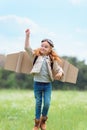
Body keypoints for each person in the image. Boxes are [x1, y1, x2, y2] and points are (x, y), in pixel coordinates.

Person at [24, 29, 64, 130]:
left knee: (46, 103)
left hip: (47, 85)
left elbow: (59, 69)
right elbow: (27, 48)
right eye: (42, 45)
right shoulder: (35, 56)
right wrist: (27, 36)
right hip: (37, 83)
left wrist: (60, 72)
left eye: (46, 46)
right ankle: (37, 123)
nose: (43, 47)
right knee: (38, 103)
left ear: (50, 49)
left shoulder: (52, 60)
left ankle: (43, 120)